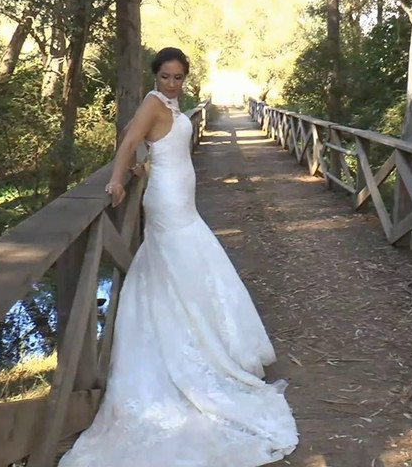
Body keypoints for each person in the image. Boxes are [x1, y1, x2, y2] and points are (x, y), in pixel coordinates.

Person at [57, 47, 298, 466]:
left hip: (182, 198)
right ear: (155, 77)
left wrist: (140, 169)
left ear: (185, 78)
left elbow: (155, 149)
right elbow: (131, 140)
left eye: (178, 78)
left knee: (189, 267)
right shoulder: (152, 104)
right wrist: (117, 180)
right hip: (167, 204)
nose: (172, 84)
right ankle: (189, 350)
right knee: (182, 264)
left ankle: (206, 343)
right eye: (166, 77)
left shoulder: (171, 105)